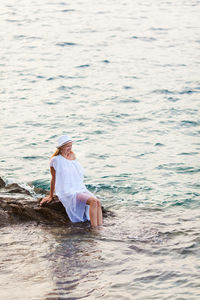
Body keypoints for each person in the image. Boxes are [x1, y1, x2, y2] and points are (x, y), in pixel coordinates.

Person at [40, 135, 103, 227]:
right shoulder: (55, 160)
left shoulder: (72, 156)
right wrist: (51, 196)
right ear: (61, 147)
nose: (70, 148)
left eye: (71, 145)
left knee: (98, 202)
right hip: (67, 191)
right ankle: (95, 229)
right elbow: (53, 178)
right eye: (67, 146)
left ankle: (100, 226)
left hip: (79, 188)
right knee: (93, 202)